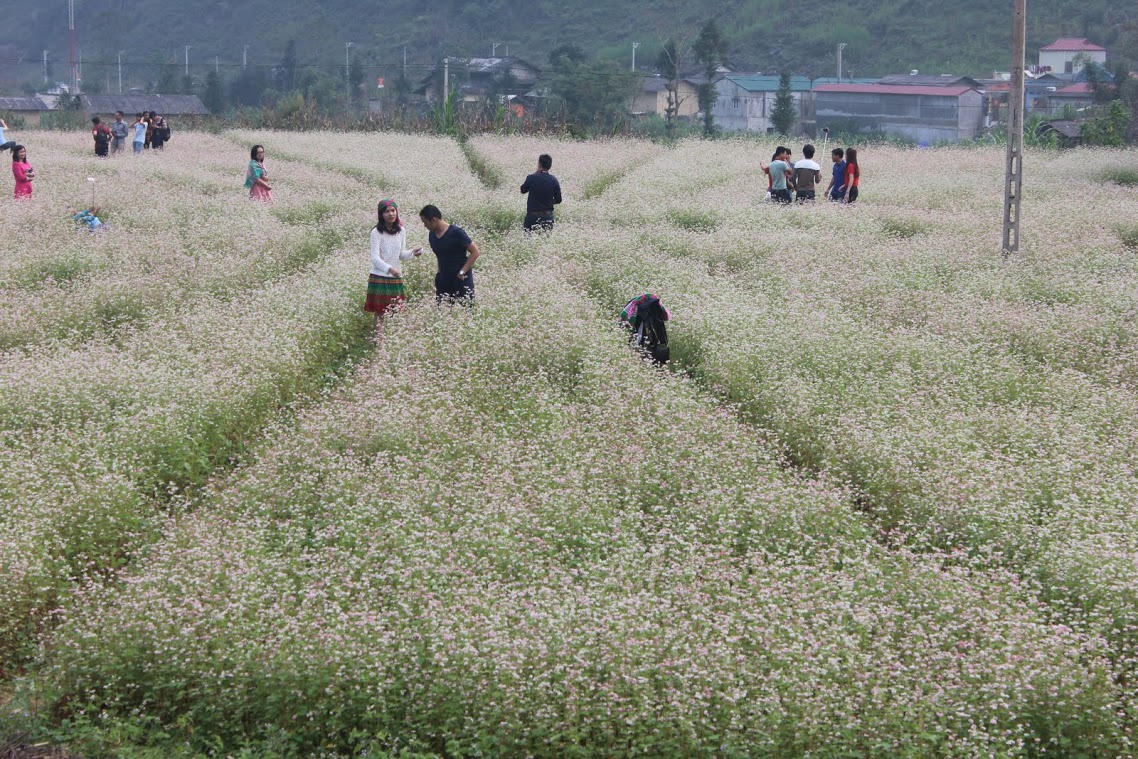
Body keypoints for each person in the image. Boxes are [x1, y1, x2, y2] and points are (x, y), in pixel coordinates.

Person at [365, 198, 423, 329]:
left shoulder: (401, 231)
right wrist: (390, 269)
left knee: (396, 311)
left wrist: (413, 253)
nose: (391, 214)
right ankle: (379, 343)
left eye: (393, 210)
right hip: (379, 276)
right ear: (381, 214)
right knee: (380, 312)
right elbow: (374, 258)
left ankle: (390, 342)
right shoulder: (376, 232)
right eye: (387, 211)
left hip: (395, 277)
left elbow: (401, 255)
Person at [420, 204, 479, 303]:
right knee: (444, 313)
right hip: (443, 280)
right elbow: (440, 256)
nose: (424, 226)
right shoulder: (432, 235)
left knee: (464, 312)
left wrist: (462, 272)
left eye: (425, 222)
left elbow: (475, 252)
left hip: (461, 280)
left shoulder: (456, 232)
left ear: (434, 220)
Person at [520, 153, 562, 233]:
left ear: (539, 164)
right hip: (547, 216)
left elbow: (523, 190)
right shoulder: (554, 180)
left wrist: (536, 173)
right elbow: (559, 200)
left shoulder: (532, 177)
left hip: (532, 216)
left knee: (528, 239)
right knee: (546, 240)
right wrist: (549, 202)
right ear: (550, 166)